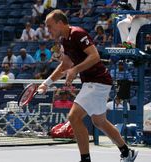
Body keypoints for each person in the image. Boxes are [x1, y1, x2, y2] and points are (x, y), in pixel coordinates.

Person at [39, 10, 138, 162]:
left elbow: (95, 56)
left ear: (60, 23)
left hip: (97, 81)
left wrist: (75, 69)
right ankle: (126, 152)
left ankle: (85, 159)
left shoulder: (78, 33)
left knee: (74, 117)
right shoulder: (65, 40)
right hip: (93, 82)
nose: (48, 30)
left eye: (50, 26)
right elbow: (65, 65)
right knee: (99, 121)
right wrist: (46, 83)